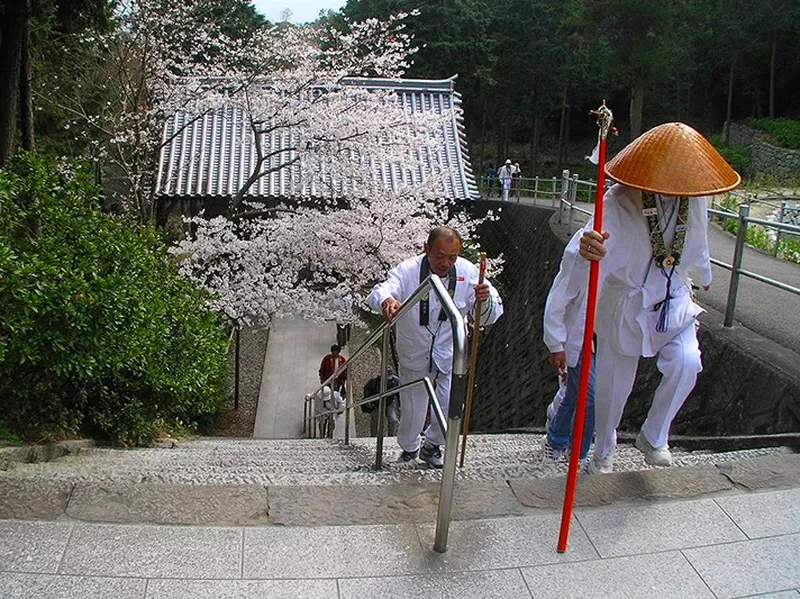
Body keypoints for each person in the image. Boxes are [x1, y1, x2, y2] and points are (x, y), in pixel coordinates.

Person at [578, 122, 741, 474]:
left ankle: (653, 435)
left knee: (687, 361)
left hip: (673, 294)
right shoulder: (618, 200)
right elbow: (592, 246)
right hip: (626, 302)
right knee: (612, 388)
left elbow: (698, 241)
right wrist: (587, 252)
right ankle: (603, 450)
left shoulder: (693, 200)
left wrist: (704, 275)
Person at [367, 226, 504, 467]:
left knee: (451, 403)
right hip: (415, 351)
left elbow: (486, 313)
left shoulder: (467, 271)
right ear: (427, 249)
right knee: (413, 406)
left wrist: (486, 298)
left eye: (452, 257)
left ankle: (433, 445)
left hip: (449, 352)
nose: (446, 263)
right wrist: (387, 301)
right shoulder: (408, 270)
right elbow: (383, 289)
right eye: (440, 256)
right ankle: (409, 448)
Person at [542, 230, 596, 465]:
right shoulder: (579, 253)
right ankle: (577, 451)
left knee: (577, 394)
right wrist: (556, 343)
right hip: (581, 336)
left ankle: (558, 439)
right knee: (588, 395)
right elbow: (559, 298)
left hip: (608, 333)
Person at [362, 367, 401, 436]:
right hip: (376, 402)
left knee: (393, 420)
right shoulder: (374, 381)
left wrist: (400, 405)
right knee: (375, 420)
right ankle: (374, 437)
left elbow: (398, 393)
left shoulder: (395, 380)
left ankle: (391, 436)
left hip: (390, 402)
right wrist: (368, 400)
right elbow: (367, 390)